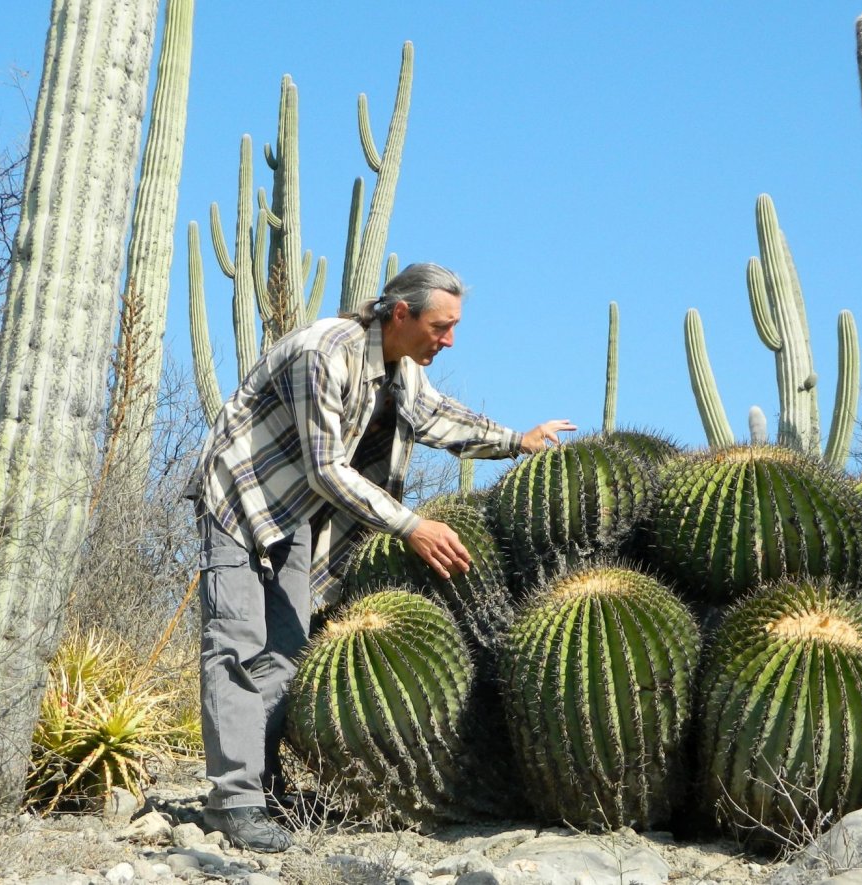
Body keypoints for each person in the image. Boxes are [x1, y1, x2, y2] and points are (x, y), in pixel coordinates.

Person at [188, 262, 575, 852]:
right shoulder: (324, 351)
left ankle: (260, 788)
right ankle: (233, 803)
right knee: (237, 645)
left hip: (293, 515)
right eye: (441, 327)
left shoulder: (400, 368)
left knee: (287, 654)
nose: (448, 340)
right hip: (241, 498)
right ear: (401, 314)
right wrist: (411, 525)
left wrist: (515, 439)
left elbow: (437, 416)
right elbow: (326, 469)